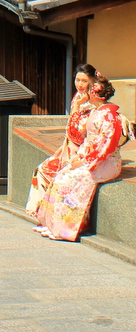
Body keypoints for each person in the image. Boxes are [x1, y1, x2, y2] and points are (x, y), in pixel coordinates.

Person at [35, 73, 123, 241]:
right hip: (92, 158)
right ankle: (51, 224)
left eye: (89, 90)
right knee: (61, 175)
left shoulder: (110, 116)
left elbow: (105, 147)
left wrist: (83, 161)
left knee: (71, 182)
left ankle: (64, 230)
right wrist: (78, 158)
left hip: (106, 163)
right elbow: (89, 142)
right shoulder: (98, 112)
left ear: (95, 94)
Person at [26, 64, 96, 217]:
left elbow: (79, 131)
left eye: (84, 81)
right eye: (77, 80)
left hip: (82, 150)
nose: (80, 84)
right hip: (69, 147)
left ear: (92, 82)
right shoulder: (78, 97)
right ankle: (39, 210)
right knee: (42, 170)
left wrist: (77, 107)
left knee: (60, 178)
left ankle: (52, 215)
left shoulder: (93, 104)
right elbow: (70, 128)